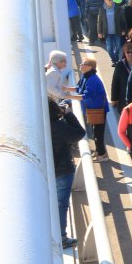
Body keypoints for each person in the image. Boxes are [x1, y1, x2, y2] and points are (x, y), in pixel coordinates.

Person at [49, 97, 86, 249]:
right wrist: (68, 114)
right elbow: (79, 133)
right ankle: (62, 238)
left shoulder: (37, 124)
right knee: (60, 205)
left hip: (46, 170)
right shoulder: (58, 125)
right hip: (62, 170)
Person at [76, 56, 110, 160]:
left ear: (90, 67)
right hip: (92, 110)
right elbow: (79, 89)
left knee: (98, 134)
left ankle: (102, 154)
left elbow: (86, 95)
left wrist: (67, 96)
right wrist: (65, 89)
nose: (81, 65)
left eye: (83, 64)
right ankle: (99, 151)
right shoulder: (86, 76)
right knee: (95, 132)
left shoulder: (93, 80)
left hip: (98, 110)